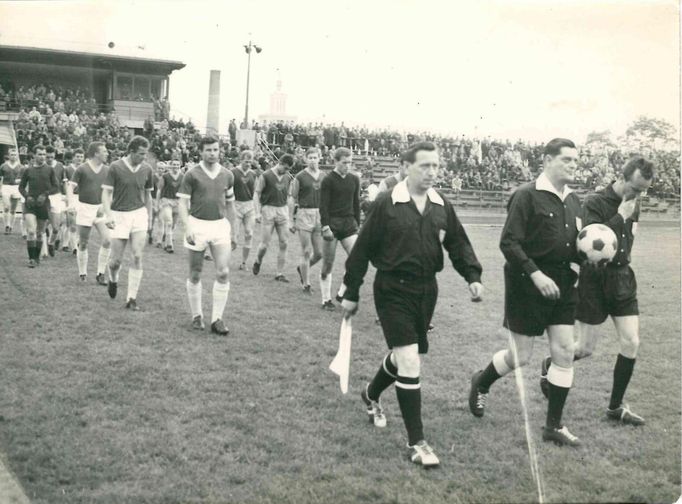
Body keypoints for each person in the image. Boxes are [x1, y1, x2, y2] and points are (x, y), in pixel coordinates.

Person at [341, 141, 483, 468]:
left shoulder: (440, 204)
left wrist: (472, 276)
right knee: (409, 361)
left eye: (436, 166)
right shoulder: (386, 204)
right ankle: (416, 442)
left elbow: (459, 244)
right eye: (425, 166)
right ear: (406, 167)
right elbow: (361, 251)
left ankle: (371, 394)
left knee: (406, 355)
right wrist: (351, 292)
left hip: (426, 290)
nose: (432, 172)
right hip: (392, 288)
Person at [468, 138, 583, 447]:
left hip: (563, 288)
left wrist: (581, 263)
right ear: (547, 160)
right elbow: (509, 242)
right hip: (527, 285)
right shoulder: (526, 195)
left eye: (576, 160)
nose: (573, 165)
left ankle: (553, 426)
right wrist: (536, 274)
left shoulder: (574, 200)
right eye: (567, 160)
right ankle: (482, 381)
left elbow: (576, 244)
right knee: (521, 356)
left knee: (564, 352)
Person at [540, 156, 655, 426]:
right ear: (622, 177)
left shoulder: (634, 204)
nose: (638, 195)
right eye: (635, 188)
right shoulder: (594, 202)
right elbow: (590, 243)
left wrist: (629, 213)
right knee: (586, 348)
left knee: (631, 342)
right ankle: (550, 363)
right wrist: (620, 216)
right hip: (594, 281)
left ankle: (615, 408)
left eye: (643, 191)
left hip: (623, 279)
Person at [177, 136, 236, 335]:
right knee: (195, 273)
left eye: (215, 150)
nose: (212, 153)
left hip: (220, 226)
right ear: (201, 152)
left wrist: (233, 230)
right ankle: (196, 315)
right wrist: (187, 227)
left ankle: (217, 319)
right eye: (208, 150)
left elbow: (230, 204)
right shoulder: (191, 174)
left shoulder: (228, 175)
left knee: (223, 272)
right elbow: (183, 204)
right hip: (197, 224)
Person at [101, 136, 154, 311]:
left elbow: (148, 196)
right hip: (119, 215)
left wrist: (150, 217)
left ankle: (131, 298)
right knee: (116, 261)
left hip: (139, 214)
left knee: (138, 256)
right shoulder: (115, 167)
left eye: (145, 154)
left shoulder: (147, 169)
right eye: (140, 154)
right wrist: (108, 215)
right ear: (131, 151)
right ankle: (113, 279)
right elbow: (106, 194)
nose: (143, 157)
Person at [319, 147, 361, 310]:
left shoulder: (354, 179)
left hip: (349, 224)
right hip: (333, 225)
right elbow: (323, 205)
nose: (347, 166)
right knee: (328, 264)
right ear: (335, 161)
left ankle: (342, 292)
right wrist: (325, 226)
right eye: (344, 163)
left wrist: (358, 224)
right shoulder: (328, 180)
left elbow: (356, 203)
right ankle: (325, 299)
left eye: (350, 163)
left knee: (357, 260)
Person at [66, 142, 111, 284]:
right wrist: (71, 204)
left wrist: (105, 206)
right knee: (84, 243)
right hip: (84, 208)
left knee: (108, 240)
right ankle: (83, 273)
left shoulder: (107, 170)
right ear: (96, 153)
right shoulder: (82, 169)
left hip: (100, 210)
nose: (107, 153)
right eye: (104, 151)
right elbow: (70, 187)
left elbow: (110, 191)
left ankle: (101, 273)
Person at [252, 154, 294, 281]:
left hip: (282, 210)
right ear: (279, 163)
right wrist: (257, 212)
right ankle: (258, 260)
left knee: (284, 243)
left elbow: (289, 196)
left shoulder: (287, 178)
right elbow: (256, 194)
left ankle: (279, 273)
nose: (286, 171)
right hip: (268, 209)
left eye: (288, 169)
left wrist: (290, 216)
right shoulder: (266, 176)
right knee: (265, 244)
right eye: (285, 168)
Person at [289, 147, 324, 294]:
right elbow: (292, 197)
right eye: (310, 158)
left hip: (319, 215)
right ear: (305, 159)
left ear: (320, 158)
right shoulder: (300, 177)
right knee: (306, 250)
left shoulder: (324, 176)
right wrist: (291, 219)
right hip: (304, 214)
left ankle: (302, 268)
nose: (313, 160)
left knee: (319, 253)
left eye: (315, 157)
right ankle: (306, 284)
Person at [18, 145, 59, 267]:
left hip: (43, 204)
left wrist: (45, 194)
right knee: (31, 231)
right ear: (34, 155)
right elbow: (20, 187)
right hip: (30, 204)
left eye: (44, 154)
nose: (42, 157)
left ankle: (37, 257)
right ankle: (31, 258)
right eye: (40, 154)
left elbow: (56, 187)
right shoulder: (28, 170)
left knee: (40, 232)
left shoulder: (50, 170)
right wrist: (27, 196)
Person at [231, 150, 259, 270]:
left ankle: (243, 263)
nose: (248, 163)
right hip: (236, 205)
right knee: (234, 237)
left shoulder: (253, 174)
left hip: (249, 206)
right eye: (246, 161)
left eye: (250, 161)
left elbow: (256, 193)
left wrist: (257, 211)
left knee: (249, 233)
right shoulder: (233, 172)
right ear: (241, 160)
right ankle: (223, 259)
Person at [156, 158, 182, 253]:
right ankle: (169, 245)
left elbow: (184, 191)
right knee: (169, 222)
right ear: (171, 166)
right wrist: (157, 203)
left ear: (180, 166)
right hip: (166, 200)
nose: (175, 166)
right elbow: (159, 190)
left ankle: (167, 239)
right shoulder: (165, 176)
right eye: (174, 164)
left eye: (177, 165)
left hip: (177, 202)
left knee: (173, 224)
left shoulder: (182, 176)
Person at [45, 146, 67, 255]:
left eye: (51, 157)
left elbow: (64, 182)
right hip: (44, 196)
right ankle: (42, 251)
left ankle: (51, 242)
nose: (49, 159)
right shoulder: (41, 166)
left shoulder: (59, 166)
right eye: (47, 157)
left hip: (57, 196)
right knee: (42, 224)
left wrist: (66, 195)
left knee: (56, 227)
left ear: (54, 155)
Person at [63, 149, 84, 252]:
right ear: (73, 157)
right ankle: (74, 247)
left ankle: (77, 242)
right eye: (77, 156)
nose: (79, 158)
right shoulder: (67, 169)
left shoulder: (85, 168)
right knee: (72, 223)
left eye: (81, 156)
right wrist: (68, 198)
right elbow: (66, 185)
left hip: (83, 198)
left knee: (82, 222)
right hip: (72, 197)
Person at [0, 147, 25, 235]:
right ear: (8, 155)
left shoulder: (21, 167)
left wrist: (20, 183)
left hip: (15, 187)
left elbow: (23, 179)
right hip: (6, 186)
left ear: (17, 156)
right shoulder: (3, 166)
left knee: (13, 209)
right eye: (11, 155)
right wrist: (0, 188)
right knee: (6, 207)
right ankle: (6, 225)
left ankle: (11, 226)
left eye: (15, 155)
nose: (13, 156)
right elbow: (1, 178)